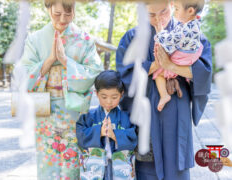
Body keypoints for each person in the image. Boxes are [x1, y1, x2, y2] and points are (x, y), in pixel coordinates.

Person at [116, 1, 212, 180]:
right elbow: (124, 75)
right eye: (151, 15)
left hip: (176, 113)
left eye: (164, 12)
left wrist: (171, 67)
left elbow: (203, 73)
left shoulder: (189, 33)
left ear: (172, 4)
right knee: (146, 163)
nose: (159, 19)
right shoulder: (132, 37)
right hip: (146, 115)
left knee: (177, 165)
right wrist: (154, 66)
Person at [20, 0, 103, 179]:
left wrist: (65, 61)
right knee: (47, 159)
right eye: (57, 14)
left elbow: (95, 71)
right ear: (48, 8)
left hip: (72, 107)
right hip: (44, 106)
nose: (63, 19)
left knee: (72, 158)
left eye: (68, 13)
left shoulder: (84, 40)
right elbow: (23, 76)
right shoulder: (35, 39)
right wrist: (50, 59)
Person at [76, 70, 137, 180]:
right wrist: (99, 132)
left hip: (118, 166)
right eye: (104, 97)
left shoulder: (126, 117)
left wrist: (115, 135)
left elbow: (133, 139)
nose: (109, 101)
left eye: (114, 97)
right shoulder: (88, 116)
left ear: (121, 94)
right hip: (95, 166)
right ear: (97, 94)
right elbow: (80, 136)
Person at [153, 0, 205, 111]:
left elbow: (169, 42)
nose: (174, 12)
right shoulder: (191, 23)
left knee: (158, 74)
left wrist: (160, 32)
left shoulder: (187, 29)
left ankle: (164, 96)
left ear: (190, 10)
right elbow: (174, 37)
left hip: (183, 58)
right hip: (190, 54)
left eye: (176, 9)